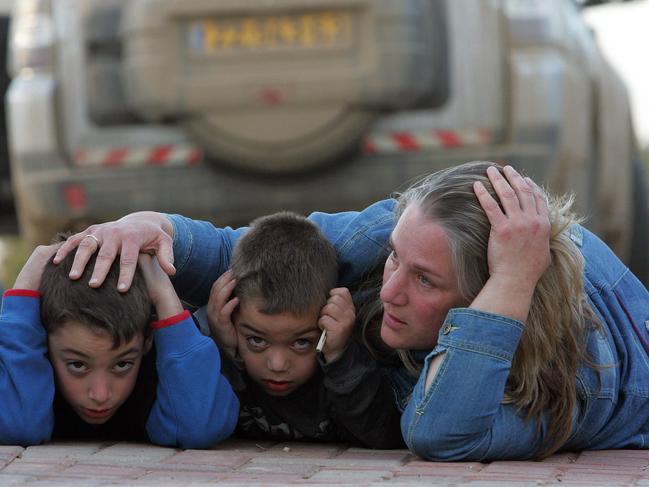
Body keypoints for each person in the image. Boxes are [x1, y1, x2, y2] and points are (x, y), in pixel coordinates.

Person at [54, 161, 649, 460]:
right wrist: (147, 227)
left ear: (487, 300)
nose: (389, 290)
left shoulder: (576, 379)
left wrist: (515, 275)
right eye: (395, 260)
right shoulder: (401, 232)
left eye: (423, 281)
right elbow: (246, 252)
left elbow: (438, 432)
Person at [0, 238, 239, 447]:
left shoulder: (167, 357)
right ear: (42, 340)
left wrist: (166, 297)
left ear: (147, 340)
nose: (101, 394)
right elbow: (18, 425)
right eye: (77, 365)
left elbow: (199, 428)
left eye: (122, 365)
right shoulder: (22, 353)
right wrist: (23, 296)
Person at [199, 211, 403, 448]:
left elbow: (382, 435)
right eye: (256, 340)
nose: (277, 365)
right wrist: (223, 347)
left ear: (327, 321)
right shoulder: (215, 342)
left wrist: (340, 354)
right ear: (232, 320)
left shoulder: (345, 359)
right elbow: (201, 423)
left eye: (301, 343)